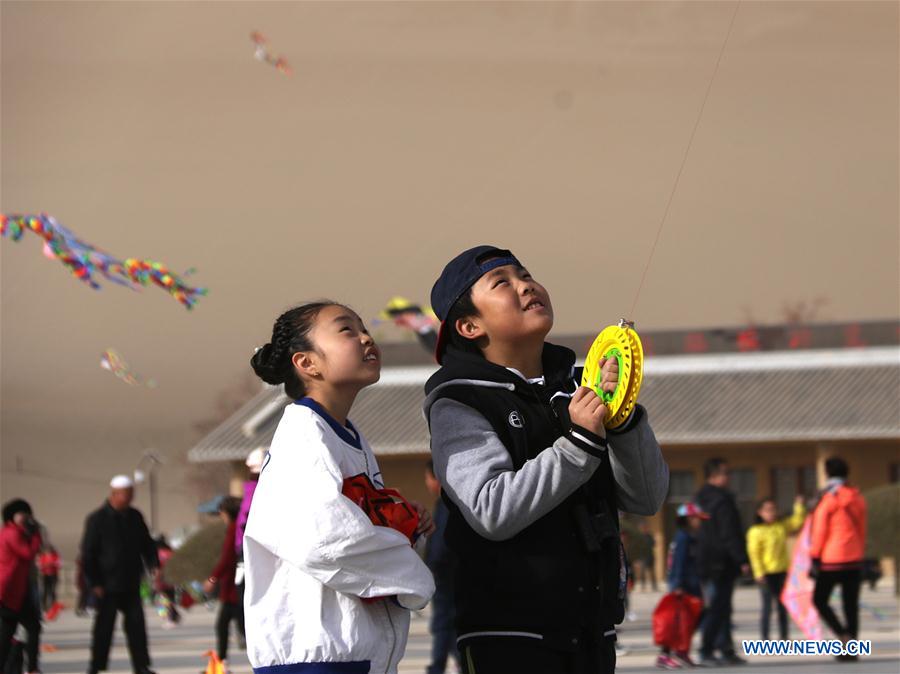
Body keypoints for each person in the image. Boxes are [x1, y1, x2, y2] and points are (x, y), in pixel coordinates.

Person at [423, 246, 669, 674]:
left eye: (525, 274)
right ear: (469, 326)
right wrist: (579, 443)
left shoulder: (579, 386)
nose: (525, 286)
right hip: (509, 637)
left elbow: (646, 498)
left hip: (593, 631)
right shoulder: (460, 401)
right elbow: (491, 510)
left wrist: (622, 419)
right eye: (502, 283)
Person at [244, 302, 436, 674]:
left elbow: (349, 521)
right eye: (347, 330)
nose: (365, 338)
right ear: (307, 363)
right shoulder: (304, 434)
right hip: (317, 660)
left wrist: (402, 521)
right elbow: (324, 540)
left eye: (364, 328)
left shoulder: (346, 434)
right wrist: (412, 575)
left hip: (351, 656)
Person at [81, 475, 159, 674]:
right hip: (107, 585)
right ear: (114, 494)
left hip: (131, 582)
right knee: (104, 629)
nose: (130, 498)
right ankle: (96, 666)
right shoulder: (97, 519)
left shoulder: (135, 517)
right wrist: (94, 583)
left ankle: (141, 666)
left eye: (132, 494)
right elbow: (88, 554)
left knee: (137, 628)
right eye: (126, 494)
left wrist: (154, 564)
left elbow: (147, 544)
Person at [810, 457, 867, 662]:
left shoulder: (828, 498)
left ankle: (842, 635)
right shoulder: (857, 497)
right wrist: (859, 550)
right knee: (850, 605)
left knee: (819, 600)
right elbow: (862, 528)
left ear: (827, 473)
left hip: (831, 559)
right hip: (854, 558)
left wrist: (814, 555)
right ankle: (851, 648)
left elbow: (820, 530)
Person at [694, 458, 748, 666]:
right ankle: (707, 650)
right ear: (714, 475)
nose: (729, 477)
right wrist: (741, 559)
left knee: (720, 607)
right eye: (726, 473)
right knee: (718, 608)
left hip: (705, 559)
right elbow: (729, 533)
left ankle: (725, 649)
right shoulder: (722, 500)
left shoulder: (699, 498)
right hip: (722, 562)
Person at [746, 495, 806, 641]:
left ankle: (784, 638)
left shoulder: (780, 526)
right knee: (767, 608)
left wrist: (799, 506)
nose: (771, 513)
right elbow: (754, 554)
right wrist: (759, 573)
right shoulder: (755, 531)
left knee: (782, 607)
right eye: (767, 510)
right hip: (766, 574)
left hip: (782, 572)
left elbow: (797, 522)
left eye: (773, 509)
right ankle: (765, 640)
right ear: (760, 512)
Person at [656, 502, 707, 669]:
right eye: (697, 519)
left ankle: (682, 651)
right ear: (688, 519)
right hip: (684, 586)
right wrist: (677, 585)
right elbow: (678, 563)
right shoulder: (683, 538)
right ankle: (665, 655)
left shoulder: (688, 537)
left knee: (692, 619)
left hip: (691, 584)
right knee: (675, 621)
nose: (699, 522)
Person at [424, 460, 459, 674]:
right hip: (448, 573)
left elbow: (440, 546)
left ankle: (437, 668)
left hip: (445, 575)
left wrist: (433, 569)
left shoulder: (446, 505)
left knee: (443, 624)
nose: (427, 483)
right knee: (448, 624)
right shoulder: (448, 503)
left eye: (427, 478)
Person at [0, 499, 42, 674]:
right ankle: (31, 667)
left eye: (26, 514)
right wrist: (35, 535)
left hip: (16, 590)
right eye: (21, 514)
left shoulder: (14, 532)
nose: (25, 517)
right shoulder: (12, 533)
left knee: (10, 630)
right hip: (9, 590)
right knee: (29, 627)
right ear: (12, 516)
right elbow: (27, 553)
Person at [203, 496, 244, 671]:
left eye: (221, 512)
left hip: (234, 587)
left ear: (227, 513)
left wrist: (213, 578)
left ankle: (222, 663)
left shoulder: (233, 530)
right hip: (234, 587)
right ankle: (221, 662)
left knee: (225, 626)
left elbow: (227, 558)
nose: (220, 515)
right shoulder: (238, 528)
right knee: (226, 625)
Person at [37, 545, 60, 613]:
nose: (47, 551)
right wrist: (46, 565)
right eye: (46, 550)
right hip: (45, 575)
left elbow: (58, 564)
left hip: (53, 575)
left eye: (49, 549)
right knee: (45, 590)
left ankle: (53, 605)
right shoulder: (42, 556)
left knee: (52, 591)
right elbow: (40, 565)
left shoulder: (55, 556)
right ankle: (44, 606)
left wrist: (52, 564)